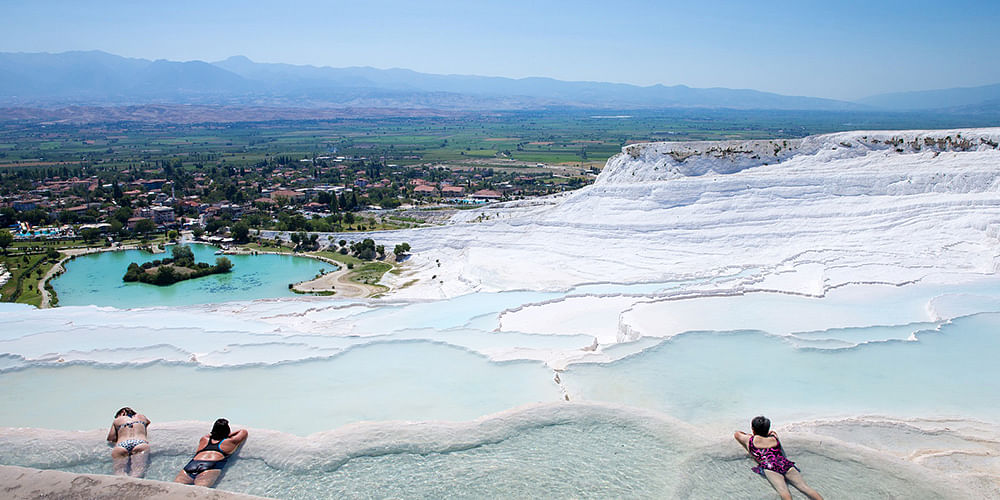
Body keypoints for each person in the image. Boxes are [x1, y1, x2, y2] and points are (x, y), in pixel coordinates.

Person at [734, 416, 823, 500]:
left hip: (770, 466)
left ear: (753, 429)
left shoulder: (750, 440)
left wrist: (751, 435)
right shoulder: (774, 438)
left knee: (784, 492)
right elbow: (773, 432)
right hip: (785, 463)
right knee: (805, 487)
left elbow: (737, 434)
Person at [174, 418, 248, 487]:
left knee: (174, 489)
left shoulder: (204, 439)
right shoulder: (230, 441)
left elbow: (210, 434)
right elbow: (243, 431)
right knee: (200, 493)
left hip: (192, 465)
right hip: (210, 465)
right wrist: (228, 435)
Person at [106, 406, 151, 477]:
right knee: (138, 471)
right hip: (140, 443)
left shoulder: (118, 420)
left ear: (122, 413)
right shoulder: (142, 417)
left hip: (122, 444)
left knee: (119, 473)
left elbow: (111, 438)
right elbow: (148, 422)